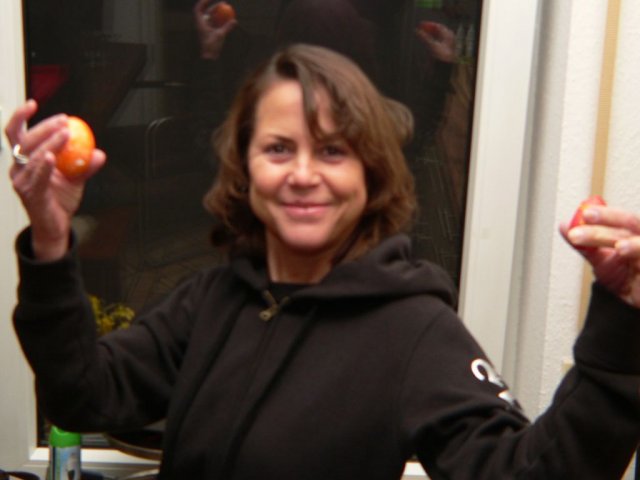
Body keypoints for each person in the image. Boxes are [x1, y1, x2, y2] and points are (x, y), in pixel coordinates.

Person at [5, 44, 640, 479]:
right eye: (279, 148)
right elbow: (83, 395)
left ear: (371, 173)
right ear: (246, 168)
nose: (303, 174)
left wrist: (622, 328)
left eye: (333, 151)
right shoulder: (212, 298)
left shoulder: (413, 330)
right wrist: (52, 243)